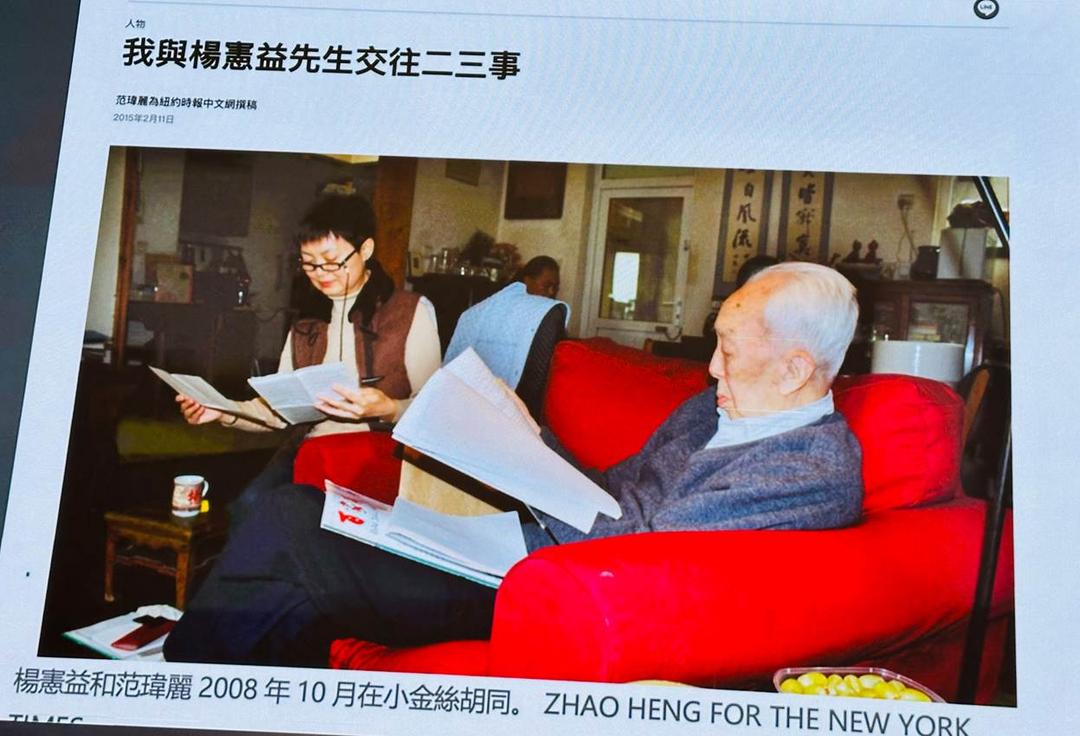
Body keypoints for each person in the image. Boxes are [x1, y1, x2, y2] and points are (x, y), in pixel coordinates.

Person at [163, 261, 862, 666]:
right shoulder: (716, 409)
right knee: (295, 509)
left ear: (796, 369)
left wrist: (527, 468)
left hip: (545, 591)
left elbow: (637, 561)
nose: (710, 369)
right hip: (521, 546)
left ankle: (171, 685)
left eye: (729, 352)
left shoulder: (803, 472)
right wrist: (526, 438)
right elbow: (610, 493)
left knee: (290, 534)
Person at [175, 193, 441, 519]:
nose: (320, 273)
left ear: (366, 250)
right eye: (309, 263)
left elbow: (435, 411)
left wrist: (389, 408)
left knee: (296, 516)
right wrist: (223, 412)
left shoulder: (409, 312)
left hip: (381, 457)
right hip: (312, 453)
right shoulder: (307, 324)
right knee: (249, 507)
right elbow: (278, 413)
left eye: (331, 261)